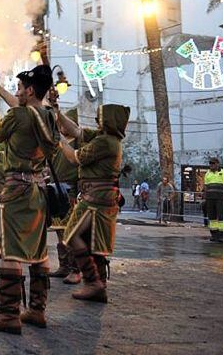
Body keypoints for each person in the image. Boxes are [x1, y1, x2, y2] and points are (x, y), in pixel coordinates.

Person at [0, 65, 59, 334]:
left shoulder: (18, 115)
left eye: (19, 88)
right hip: (38, 191)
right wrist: (1, 90)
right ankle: (37, 310)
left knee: (12, 251)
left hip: (16, 190)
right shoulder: (48, 116)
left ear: (29, 90)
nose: (17, 93)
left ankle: (8, 315)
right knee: (39, 252)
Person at [57, 104, 130, 303]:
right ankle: (99, 286)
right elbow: (77, 131)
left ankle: (92, 282)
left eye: (101, 117)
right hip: (97, 198)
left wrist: (57, 137)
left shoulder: (105, 142)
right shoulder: (105, 138)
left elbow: (73, 157)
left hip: (94, 199)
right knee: (93, 242)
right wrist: (56, 112)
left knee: (71, 235)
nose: (98, 121)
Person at [48, 108, 82, 285]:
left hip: (70, 192)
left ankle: (75, 269)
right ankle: (64, 266)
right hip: (56, 190)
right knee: (59, 232)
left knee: (71, 232)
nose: (61, 126)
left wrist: (78, 192)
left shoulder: (78, 142)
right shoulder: (57, 142)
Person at [203, 158, 223, 243]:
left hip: (220, 198)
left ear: (217, 164)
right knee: (212, 217)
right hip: (210, 198)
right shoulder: (207, 173)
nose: (211, 165)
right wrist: (204, 198)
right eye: (210, 163)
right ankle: (214, 235)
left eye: (213, 163)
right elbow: (206, 186)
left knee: (221, 216)